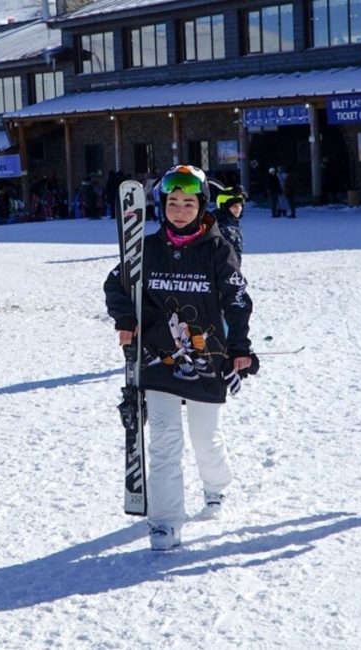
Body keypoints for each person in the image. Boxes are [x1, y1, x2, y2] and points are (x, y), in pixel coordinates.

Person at [104, 164, 258, 550]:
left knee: (205, 437)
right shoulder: (148, 249)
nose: (180, 210)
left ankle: (216, 486)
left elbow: (237, 300)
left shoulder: (217, 249)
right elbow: (116, 283)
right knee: (165, 442)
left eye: (188, 203)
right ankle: (166, 520)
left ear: (202, 206)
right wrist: (126, 317)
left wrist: (239, 346)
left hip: (209, 360)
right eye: (173, 202)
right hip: (158, 360)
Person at [212, 185, 246, 263]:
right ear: (224, 207)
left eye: (240, 205)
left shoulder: (232, 223)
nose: (238, 209)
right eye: (234, 206)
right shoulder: (222, 227)